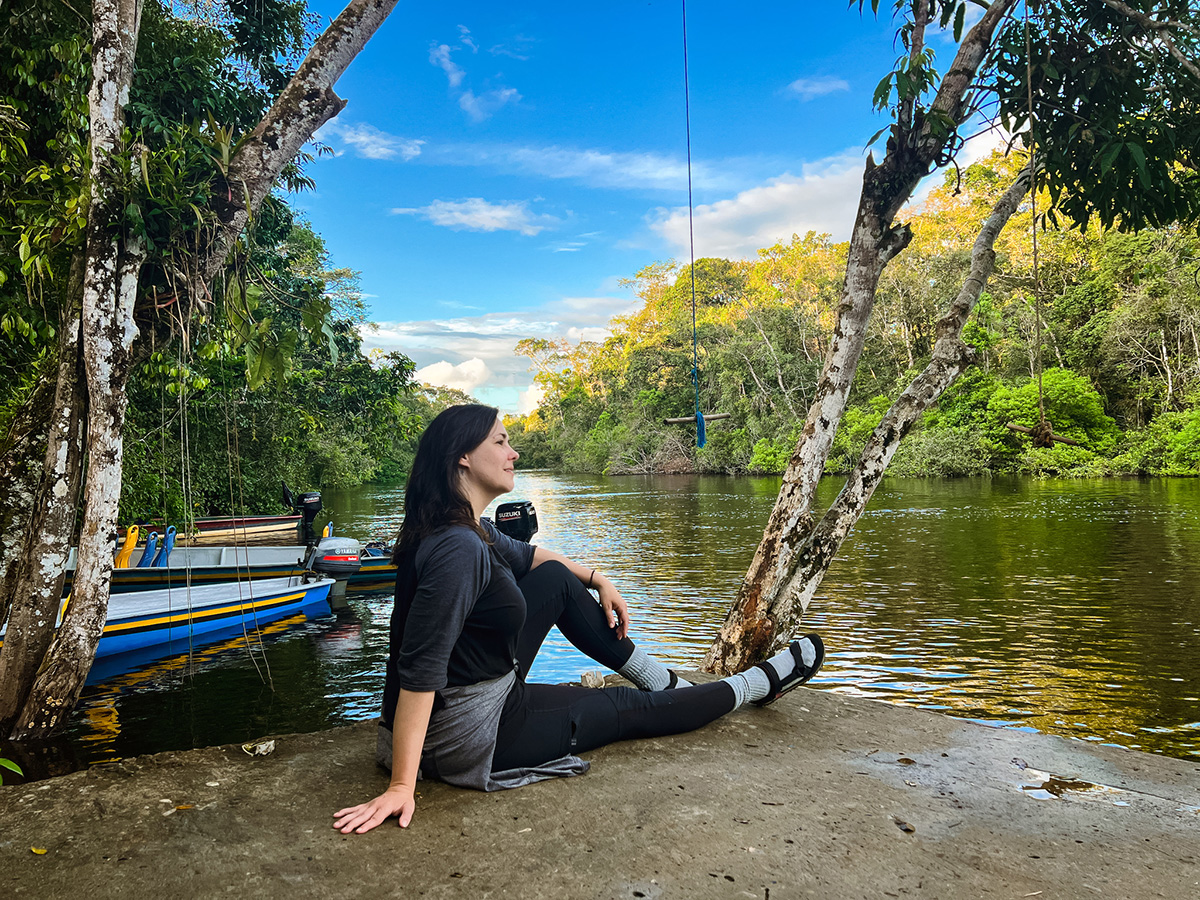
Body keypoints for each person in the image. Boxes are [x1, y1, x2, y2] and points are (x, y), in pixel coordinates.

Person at [333, 404, 824, 835]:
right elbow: (419, 668)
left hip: (475, 690)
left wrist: (598, 577)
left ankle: (662, 680)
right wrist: (402, 783)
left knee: (557, 581)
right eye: (501, 442)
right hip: (463, 732)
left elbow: (531, 558)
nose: (514, 453)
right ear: (462, 457)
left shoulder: (468, 528)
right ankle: (756, 685)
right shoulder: (457, 548)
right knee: (623, 710)